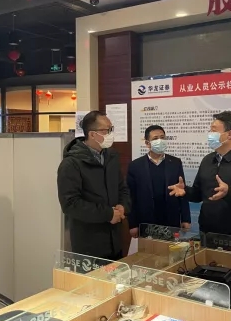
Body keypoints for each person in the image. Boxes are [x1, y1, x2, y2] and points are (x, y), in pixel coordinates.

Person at [168, 111, 231, 240]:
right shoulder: (207, 160)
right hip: (207, 234)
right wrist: (185, 191)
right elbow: (198, 194)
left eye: (213, 131)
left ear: (229, 134)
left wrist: (230, 192)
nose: (210, 134)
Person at [57, 111, 131, 260]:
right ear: (92, 134)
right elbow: (70, 204)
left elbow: (122, 188)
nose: (111, 134)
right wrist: (108, 214)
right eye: (106, 130)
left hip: (115, 240)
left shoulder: (111, 157)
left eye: (111, 129)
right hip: (89, 245)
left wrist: (123, 206)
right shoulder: (71, 164)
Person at [127, 125, 191, 238]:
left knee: (170, 248)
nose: (160, 141)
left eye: (162, 137)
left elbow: (181, 191)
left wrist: (186, 218)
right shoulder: (135, 166)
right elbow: (130, 196)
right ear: (147, 143)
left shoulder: (175, 163)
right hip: (146, 220)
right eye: (155, 138)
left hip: (171, 219)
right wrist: (132, 224)